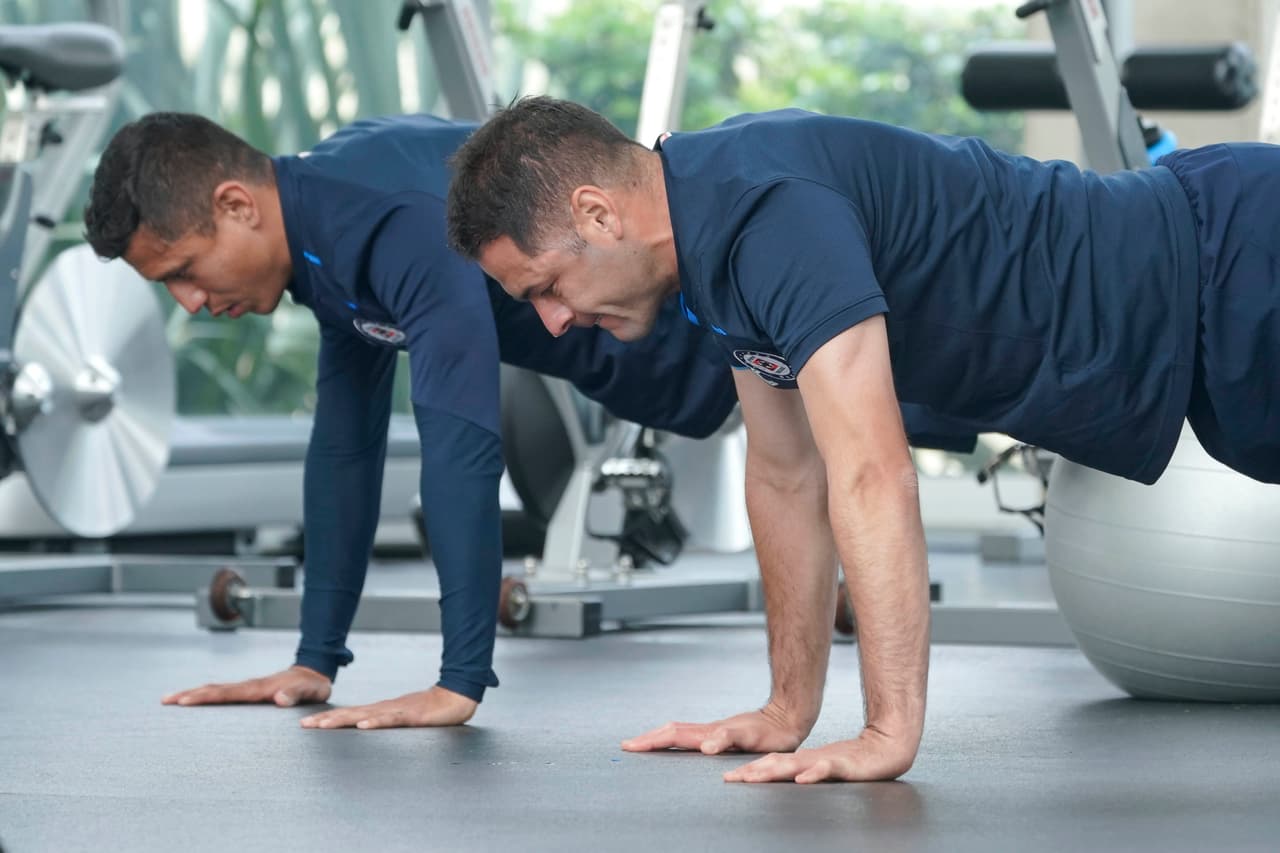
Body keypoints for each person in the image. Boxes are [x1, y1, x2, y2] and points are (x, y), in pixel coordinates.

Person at [445, 95, 1280, 783]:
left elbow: (874, 473)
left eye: (547, 287)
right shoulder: (713, 240)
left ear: (596, 214)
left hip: (1237, 262)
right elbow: (783, 473)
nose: (553, 324)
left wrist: (888, 730)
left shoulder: (767, 215)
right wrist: (786, 709)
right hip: (1201, 321)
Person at [82, 111, 740, 730]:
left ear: (236, 205)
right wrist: (314, 659)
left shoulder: (382, 216)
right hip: (689, 376)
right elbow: (345, 448)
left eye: (186, 270)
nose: (190, 301)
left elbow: (460, 436)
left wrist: (459, 681)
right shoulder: (322, 235)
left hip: (736, 338)